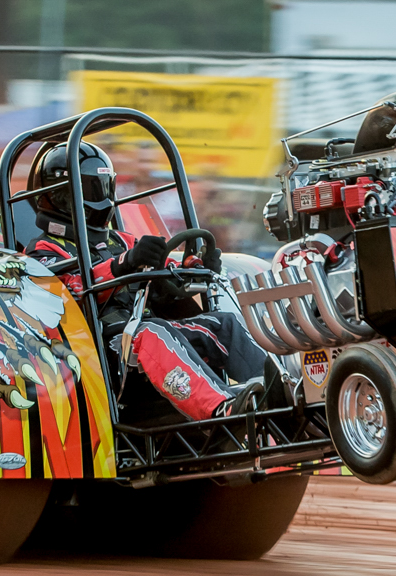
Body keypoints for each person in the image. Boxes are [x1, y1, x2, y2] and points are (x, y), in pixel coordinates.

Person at [23, 141, 283, 421]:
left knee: (224, 324)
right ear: (62, 194)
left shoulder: (120, 240)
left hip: (147, 336)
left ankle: (278, 392)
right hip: (98, 349)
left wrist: (193, 267)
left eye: (103, 186)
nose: (102, 196)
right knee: (152, 332)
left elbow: (164, 266)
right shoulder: (42, 250)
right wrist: (124, 264)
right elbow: (69, 291)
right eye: (92, 188)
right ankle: (221, 409)